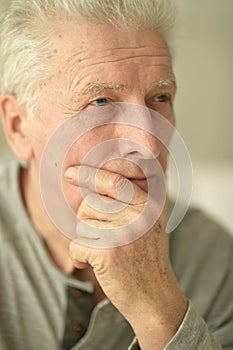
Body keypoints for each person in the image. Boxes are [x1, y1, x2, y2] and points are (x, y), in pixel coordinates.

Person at [0, 0, 232, 349]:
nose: (147, 143)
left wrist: (160, 311)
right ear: (19, 128)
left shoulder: (212, 257)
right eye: (101, 103)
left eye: (160, 97)